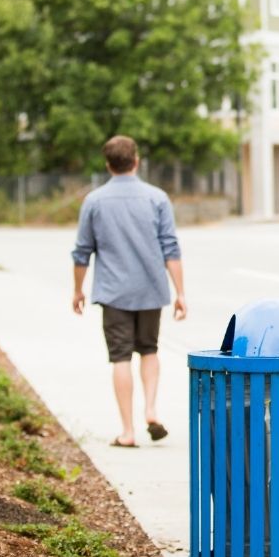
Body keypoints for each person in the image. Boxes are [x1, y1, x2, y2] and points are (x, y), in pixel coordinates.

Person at [71, 135, 186, 448]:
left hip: (113, 292)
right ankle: (151, 408)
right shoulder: (157, 198)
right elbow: (170, 247)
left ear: (108, 165)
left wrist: (78, 290)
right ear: (136, 161)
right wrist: (180, 293)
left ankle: (128, 431)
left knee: (120, 357)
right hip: (151, 289)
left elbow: (82, 251)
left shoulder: (94, 201)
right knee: (149, 350)